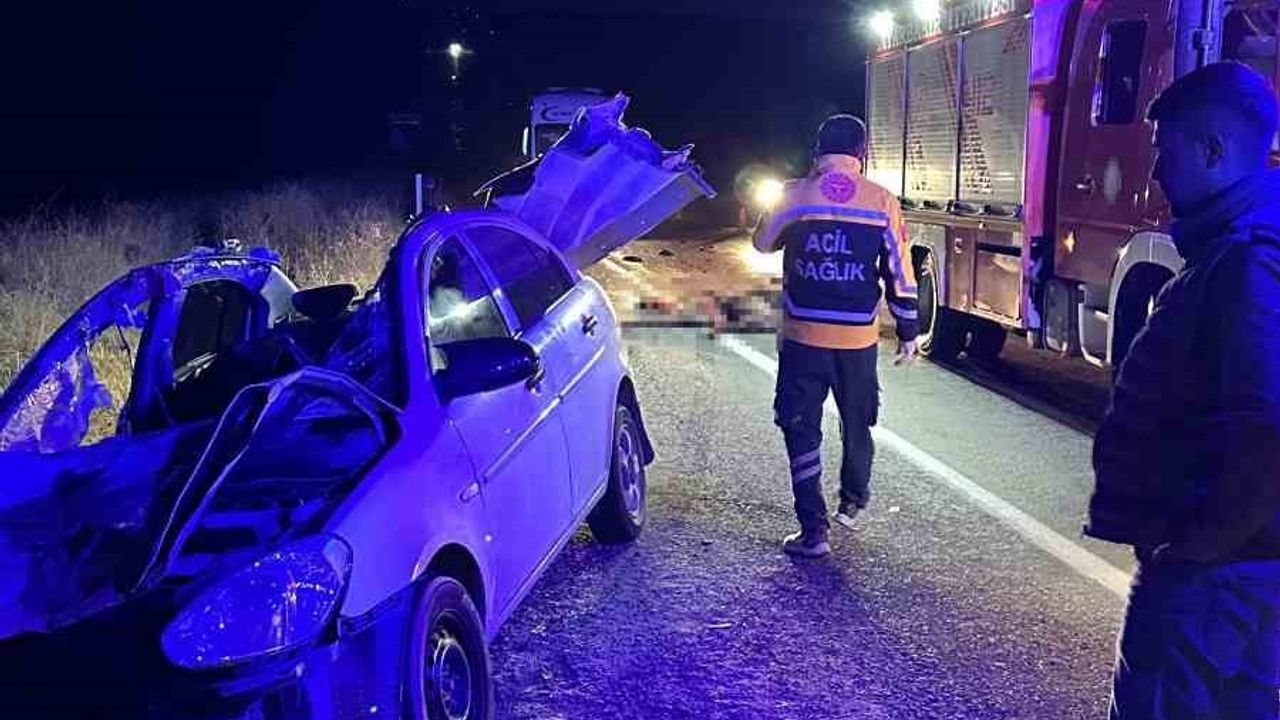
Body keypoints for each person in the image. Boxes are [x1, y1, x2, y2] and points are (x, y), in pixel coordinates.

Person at [1085, 61, 1280, 719]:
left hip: (1218, 572)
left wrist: (1197, 544)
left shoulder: (1248, 259)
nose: (1156, 174)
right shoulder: (1248, 246)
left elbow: (1264, 418)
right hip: (1253, 562)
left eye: (1166, 152)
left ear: (1215, 151)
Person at [753, 114, 919, 558]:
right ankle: (853, 499)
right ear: (862, 155)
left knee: (800, 426)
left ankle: (814, 532)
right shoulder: (882, 201)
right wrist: (908, 330)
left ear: (816, 151)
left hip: (804, 338)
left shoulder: (793, 194)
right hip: (858, 342)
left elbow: (763, 243)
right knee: (858, 418)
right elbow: (900, 273)